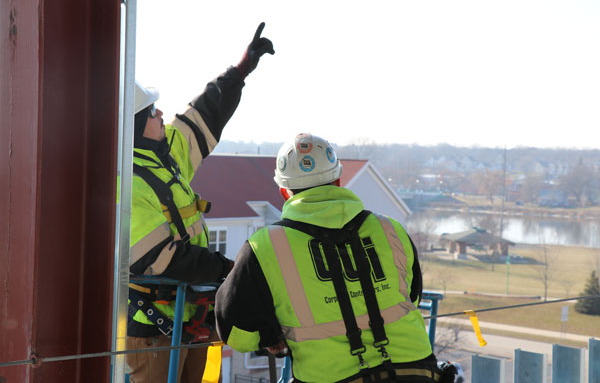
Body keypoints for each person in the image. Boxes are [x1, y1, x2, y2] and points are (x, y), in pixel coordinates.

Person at [215, 133, 449, 383]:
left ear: (285, 191)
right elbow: (411, 297)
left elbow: (237, 333)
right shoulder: (390, 229)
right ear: (338, 181)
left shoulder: (264, 247)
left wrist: (272, 337)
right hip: (418, 372)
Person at [126, 23, 274, 383]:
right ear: (131, 126)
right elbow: (160, 258)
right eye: (151, 112)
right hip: (154, 327)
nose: (160, 115)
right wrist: (229, 271)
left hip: (190, 318)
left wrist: (239, 72)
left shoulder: (164, 154)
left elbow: (204, 114)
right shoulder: (125, 182)